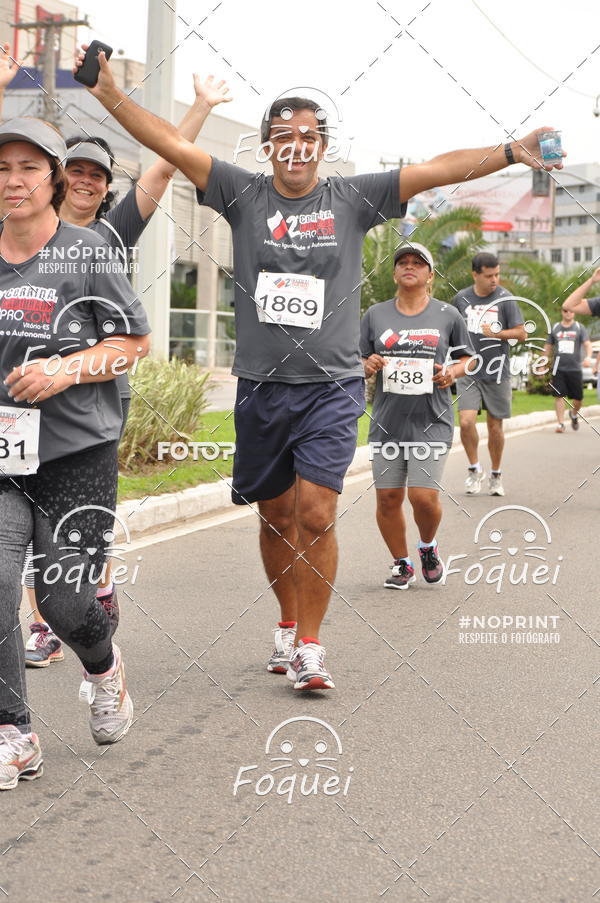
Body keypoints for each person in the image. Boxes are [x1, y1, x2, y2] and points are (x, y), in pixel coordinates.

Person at [76, 45, 565, 690]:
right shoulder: (239, 192)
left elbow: (437, 170)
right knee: (275, 516)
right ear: (268, 146)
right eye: (284, 136)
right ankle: (285, 623)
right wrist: (108, 92)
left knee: (316, 512)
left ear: (323, 146)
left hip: (332, 389)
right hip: (262, 390)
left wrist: (510, 151)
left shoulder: (355, 198)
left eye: (309, 136)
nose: (297, 145)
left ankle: (310, 644)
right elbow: (166, 140)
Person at [1, 62, 231, 666]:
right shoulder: (8, 225)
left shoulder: (110, 234)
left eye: (94, 175)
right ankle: (46, 616)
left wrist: (201, 106)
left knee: (69, 514)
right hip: (13, 416)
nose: (83, 181)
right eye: (74, 169)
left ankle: (82, 587)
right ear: (57, 176)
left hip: (92, 397)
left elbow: (164, 160)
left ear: (104, 189)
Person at [0, 117, 151, 789]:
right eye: (2, 169)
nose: (13, 181)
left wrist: (64, 369)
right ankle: (15, 731)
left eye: (29, 168)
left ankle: (103, 667)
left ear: (54, 179)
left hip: (76, 450)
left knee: (62, 602)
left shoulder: (86, 251)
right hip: (4, 454)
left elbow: (131, 343)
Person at [360, 244, 474, 588]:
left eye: (418, 263)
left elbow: (470, 360)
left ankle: (427, 546)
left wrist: (452, 373)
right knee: (388, 498)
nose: (410, 267)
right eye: (403, 263)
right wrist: (368, 364)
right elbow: (356, 358)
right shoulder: (375, 315)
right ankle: (401, 564)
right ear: (395, 273)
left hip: (432, 421)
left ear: (430, 275)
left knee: (423, 496)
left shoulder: (447, 314)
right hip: (387, 423)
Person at [452, 253, 527, 497]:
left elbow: (521, 333)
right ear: (475, 274)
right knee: (465, 422)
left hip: (498, 371)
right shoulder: (461, 299)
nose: (494, 280)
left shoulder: (505, 298)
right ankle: (474, 468)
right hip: (469, 370)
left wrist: (497, 334)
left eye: (497, 274)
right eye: (489, 275)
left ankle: (496, 474)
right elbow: (450, 331)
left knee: (495, 427)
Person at [542, 305, 592, 432]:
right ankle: (561, 424)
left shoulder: (579, 328)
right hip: (558, 368)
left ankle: (574, 414)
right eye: (565, 310)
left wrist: (588, 357)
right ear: (562, 312)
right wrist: (542, 364)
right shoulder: (555, 328)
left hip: (575, 369)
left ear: (574, 312)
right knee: (559, 396)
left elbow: (587, 345)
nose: (568, 313)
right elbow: (547, 347)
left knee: (578, 399)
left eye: (571, 310)